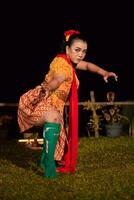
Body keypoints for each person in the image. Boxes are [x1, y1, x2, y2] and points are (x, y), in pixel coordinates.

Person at [17, 29, 118, 178]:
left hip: (55, 107)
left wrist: (104, 73)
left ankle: (46, 159)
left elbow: (89, 65)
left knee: (56, 119)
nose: (81, 54)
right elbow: (57, 79)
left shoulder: (71, 64)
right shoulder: (62, 65)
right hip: (42, 100)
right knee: (54, 117)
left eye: (84, 51)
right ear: (67, 49)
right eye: (77, 50)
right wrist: (48, 88)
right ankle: (48, 163)